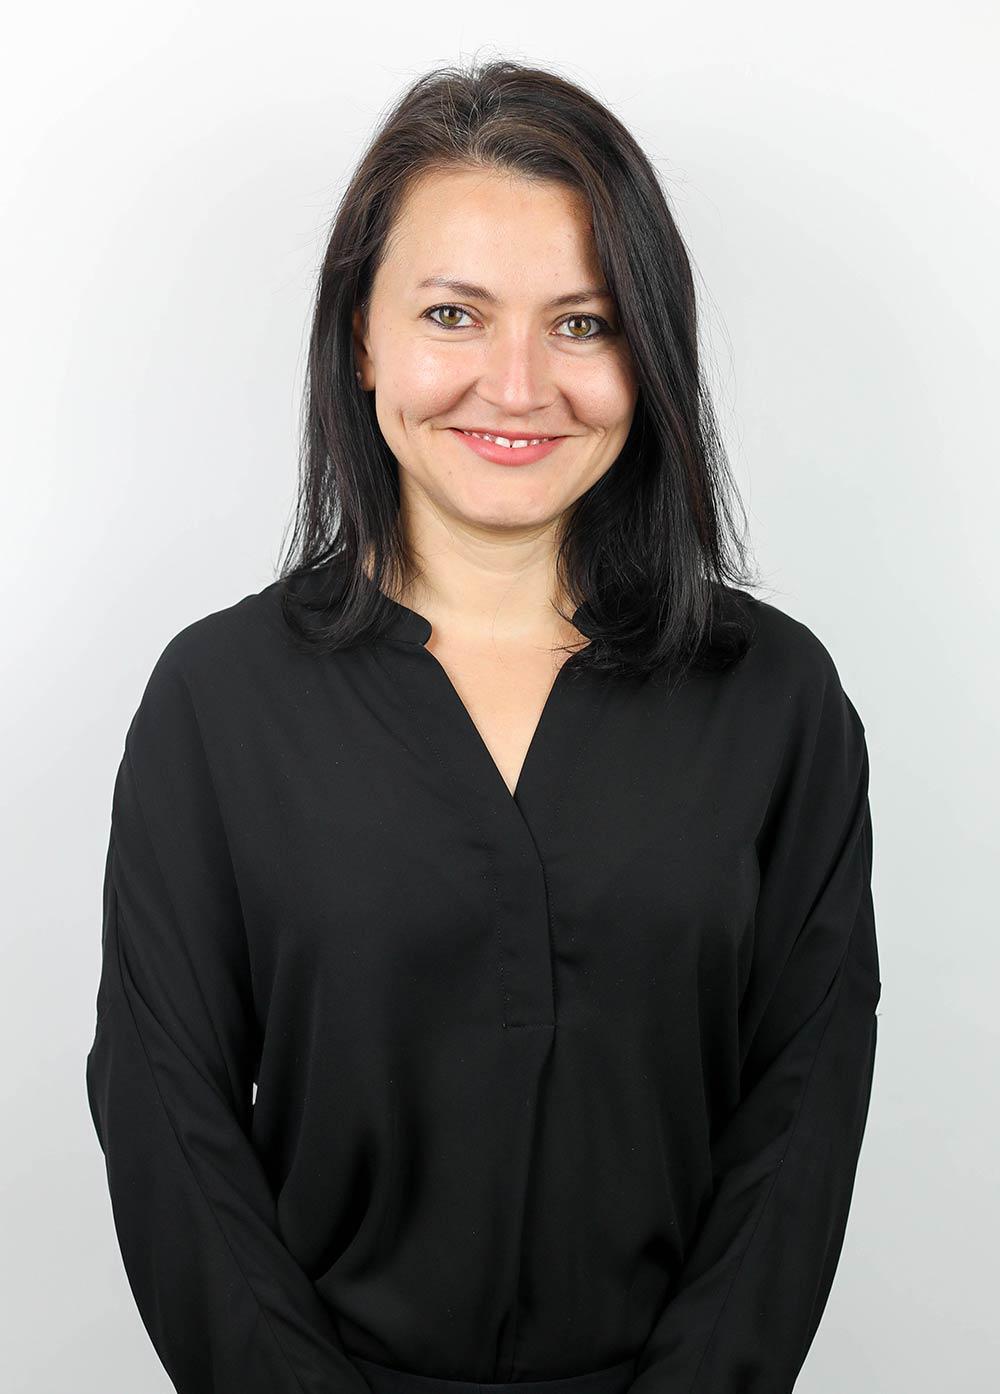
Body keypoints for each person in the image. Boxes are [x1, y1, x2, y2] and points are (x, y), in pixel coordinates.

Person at [85, 57, 881, 1394]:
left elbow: (800, 1119)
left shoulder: (776, 700)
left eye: (583, 324)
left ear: (648, 352)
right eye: (454, 313)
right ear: (363, 336)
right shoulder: (215, 704)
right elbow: (174, 1129)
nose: (516, 385)